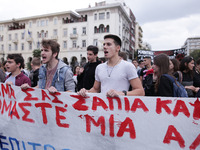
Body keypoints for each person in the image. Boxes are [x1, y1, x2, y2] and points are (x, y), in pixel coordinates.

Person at [78, 34, 144, 97]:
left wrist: (122, 93)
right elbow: (95, 89)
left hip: (120, 107)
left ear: (117, 48)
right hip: (102, 107)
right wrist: (85, 92)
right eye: (104, 44)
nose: (104, 47)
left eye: (108, 44)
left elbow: (140, 92)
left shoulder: (128, 66)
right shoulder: (99, 67)